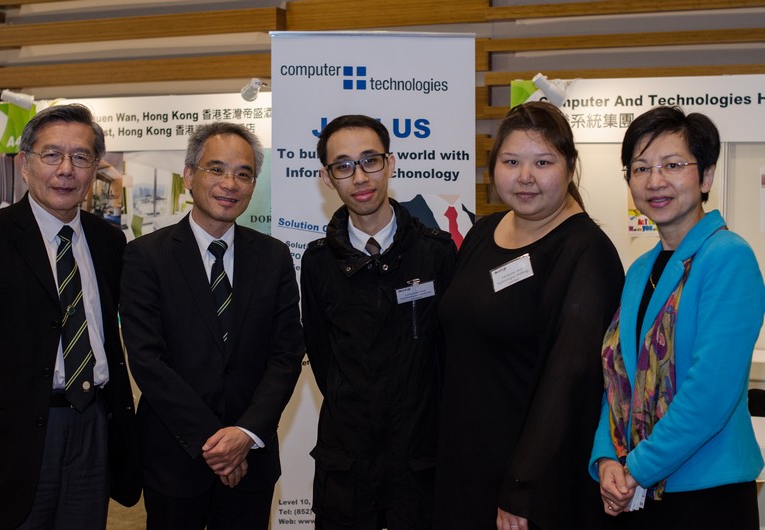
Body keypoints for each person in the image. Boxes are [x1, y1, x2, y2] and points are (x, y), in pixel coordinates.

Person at [434, 101, 624, 530]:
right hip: (465, 464)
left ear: (570, 167)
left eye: (542, 162)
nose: (525, 177)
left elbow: (571, 378)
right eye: (511, 161)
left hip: (532, 482)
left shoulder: (585, 251)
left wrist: (523, 485)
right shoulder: (484, 232)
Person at [119, 122, 304, 530]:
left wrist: (245, 435)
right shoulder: (145, 257)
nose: (230, 184)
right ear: (189, 176)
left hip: (251, 457)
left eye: (243, 173)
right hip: (176, 457)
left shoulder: (273, 257)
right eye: (216, 169)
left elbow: (287, 354)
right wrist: (217, 445)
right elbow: (148, 361)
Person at [0, 103, 141, 529]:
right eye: (52, 155)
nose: (67, 169)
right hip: (6, 440)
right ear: (25, 164)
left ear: (95, 168)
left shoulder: (109, 242)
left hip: (93, 425)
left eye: (81, 157)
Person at [590, 106, 765, 529]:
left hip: (705, 498)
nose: (655, 181)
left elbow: (710, 395)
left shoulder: (728, 256)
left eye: (673, 165)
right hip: (635, 491)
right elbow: (618, 380)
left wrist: (636, 469)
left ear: (705, 177)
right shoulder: (639, 270)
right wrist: (606, 458)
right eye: (640, 167)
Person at [301, 114, 457, 530]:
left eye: (370, 160)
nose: (360, 176)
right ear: (328, 177)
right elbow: (323, 358)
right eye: (344, 165)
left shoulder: (437, 253)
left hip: (420, 461)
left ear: (390, 163)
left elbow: (449, 355)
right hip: (347, 464)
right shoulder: (317, 263)